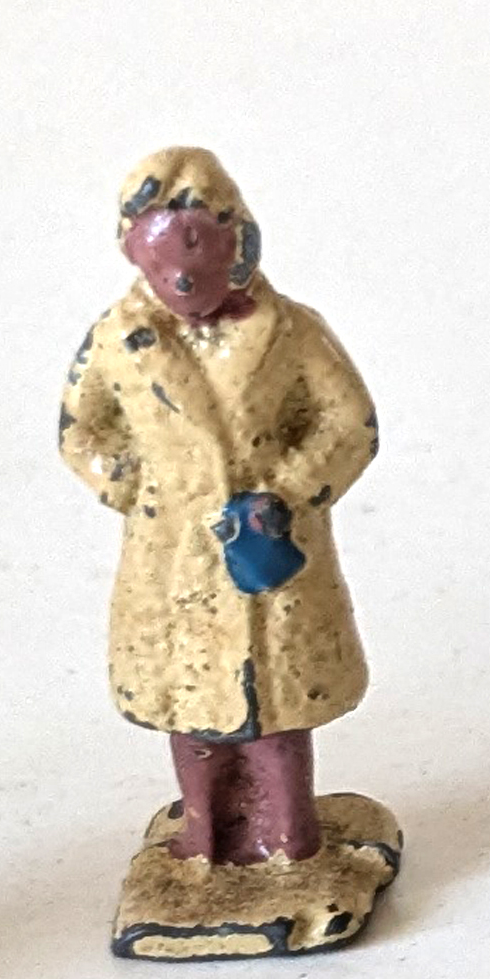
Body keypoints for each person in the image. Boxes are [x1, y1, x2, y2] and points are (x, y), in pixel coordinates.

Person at [59, 148, 380, 867]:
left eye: (197, 266)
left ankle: (290, 841)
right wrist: (138, 488)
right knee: (189, 705)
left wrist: (287, 491)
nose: (181, 285)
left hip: (265, 548)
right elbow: (80, 431)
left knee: (275, 709)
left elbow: (348, 423)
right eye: (163, 271)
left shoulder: (290, 332)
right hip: (172, 556)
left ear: (240, 246)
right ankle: (203, 839)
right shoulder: (118, 341)